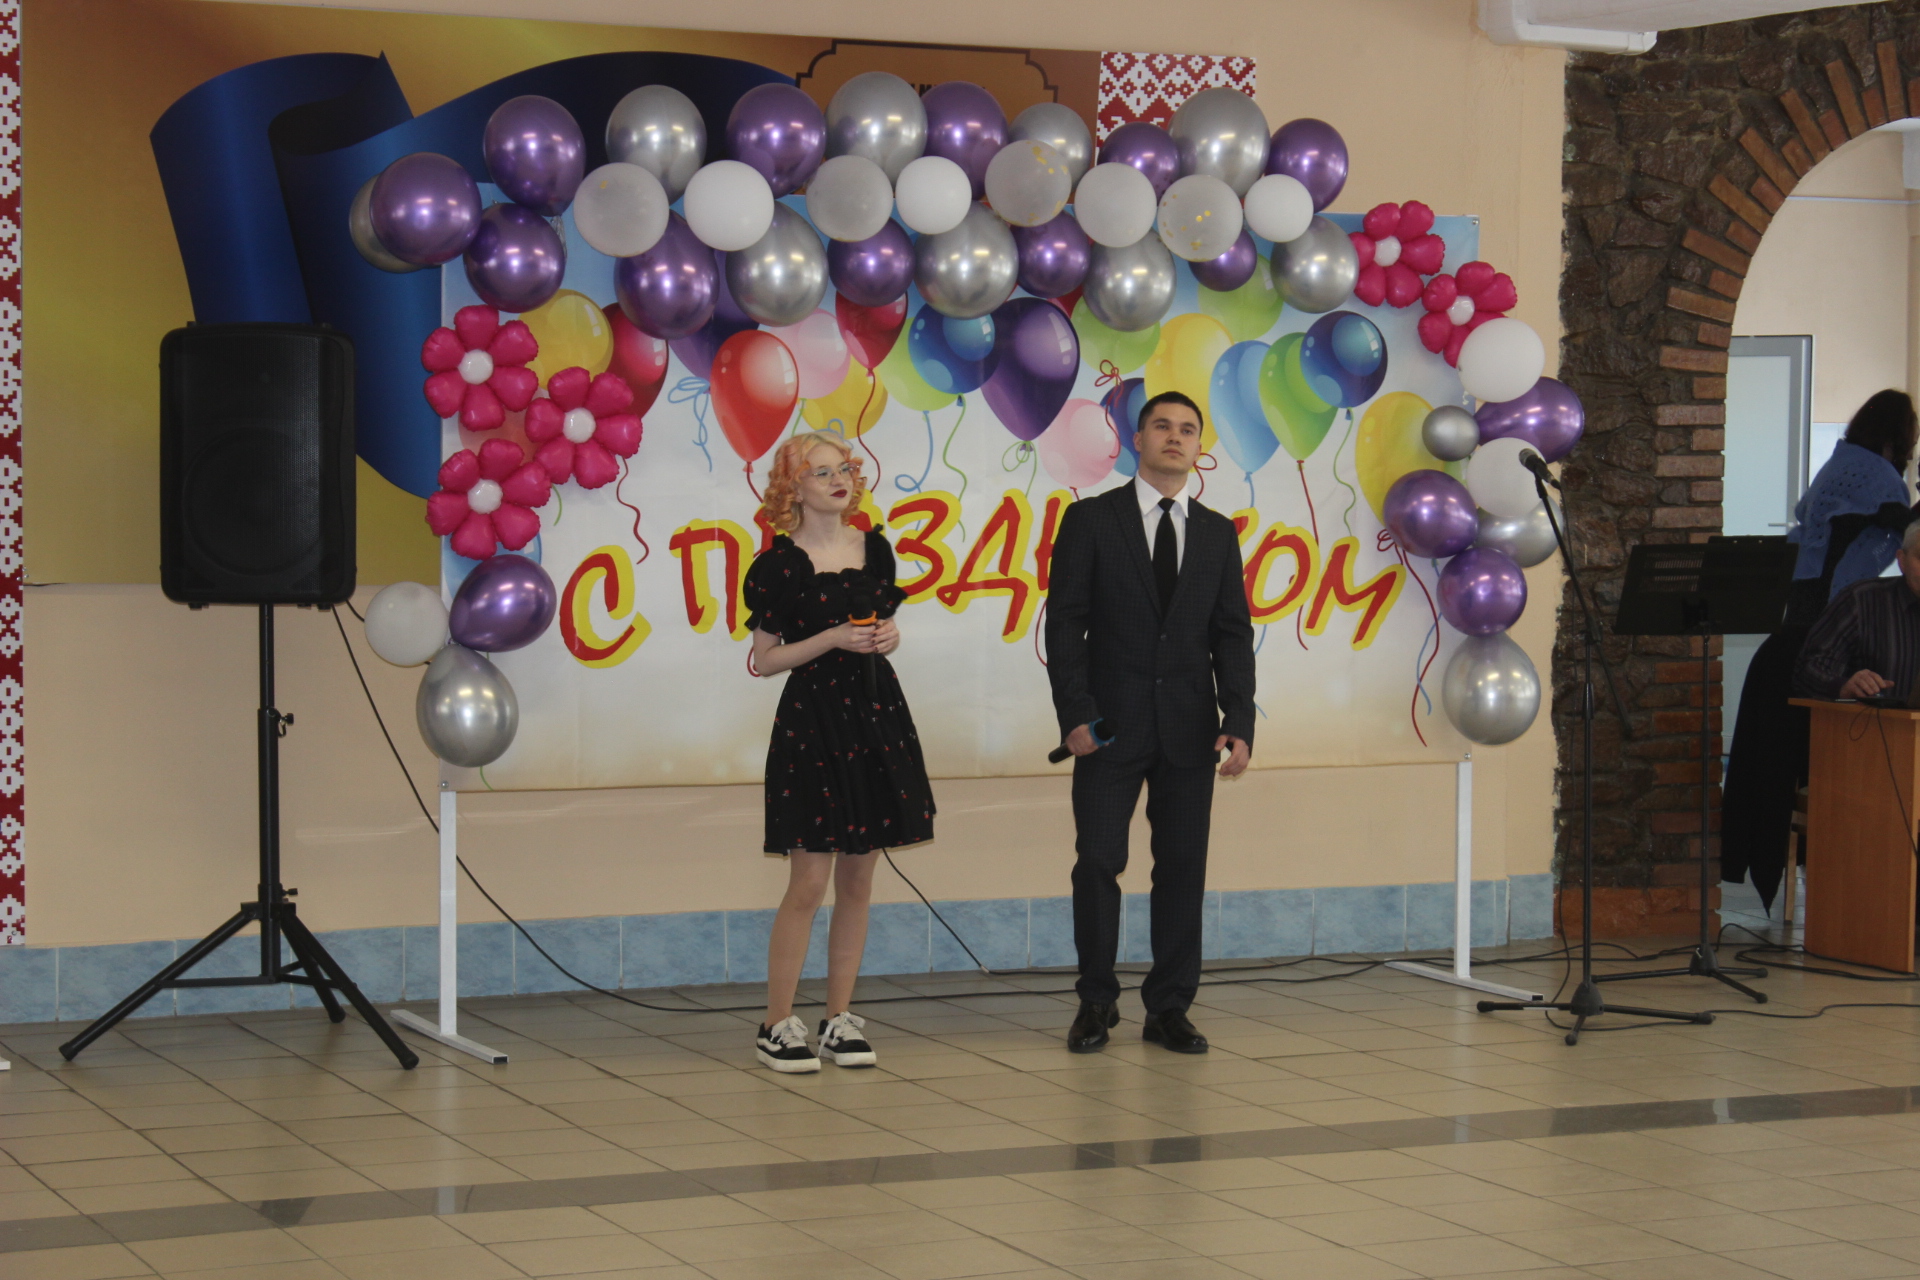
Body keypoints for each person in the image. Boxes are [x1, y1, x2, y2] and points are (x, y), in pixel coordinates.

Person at [1043, 390, 1255, 1055]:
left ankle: (1169, 1008)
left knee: (1183, 868)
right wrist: (1076, 714)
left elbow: (1232, 634)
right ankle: (1096, 1001)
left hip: (1191, 731)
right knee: (1097, 862)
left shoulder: (1217, 533)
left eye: (1187, 429)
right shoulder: (1091, 519)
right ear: (1138, 440)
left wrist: (1239, 719)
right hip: (1108, 729)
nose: (1175, 436)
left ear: (1199, 448)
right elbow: (1065, 624)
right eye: (1162, 425)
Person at [741, 431, 935, 1073]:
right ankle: (776, 1023)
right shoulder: (780, 565)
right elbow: (765, 659)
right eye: (821, 471)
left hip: (875, 714)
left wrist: (887, 637)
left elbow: (877, 627)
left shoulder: (873, 549)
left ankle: (839, 1017)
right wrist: (831, 638)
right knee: (809, 880)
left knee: (858, 877)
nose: (838, 479)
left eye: (845, 468)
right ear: (793, 487)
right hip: (814, 723)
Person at [1722, 389, 1918, 909]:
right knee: (1835, 766)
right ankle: (1847, 892)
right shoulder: (1879, 478)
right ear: (1899, 435)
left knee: (1776, 772)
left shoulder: (1834, 468)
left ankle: (1802, 884)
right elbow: (1902, 531)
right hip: (1820, 640)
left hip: (1789, 638)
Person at [1794, 519, 1920, 701]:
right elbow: (1809, 670)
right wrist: (1844, 687)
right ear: (1902, 560)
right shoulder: (1861, 600)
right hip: (1871, 718)